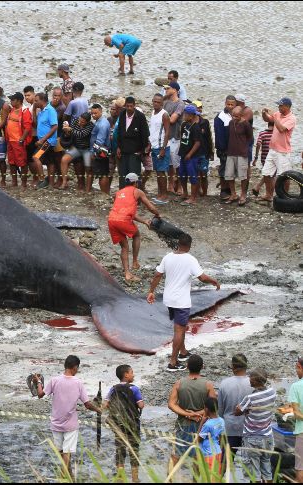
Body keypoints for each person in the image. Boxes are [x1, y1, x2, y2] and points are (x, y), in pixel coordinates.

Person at [147, 234, 221, 371]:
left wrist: (151, 291)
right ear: (189, 245)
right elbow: (202, 278)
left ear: (178, 244)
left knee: (178, 327)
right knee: (179, 330)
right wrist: (214, 281)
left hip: (168, 299)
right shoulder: (190, 259)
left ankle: (183, 353)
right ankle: (173, 363)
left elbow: (158, 274)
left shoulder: (168, 257)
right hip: (181, 301)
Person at [33, 355, 101, 479]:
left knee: (61, 452)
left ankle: (69, 476)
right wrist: (98, 409)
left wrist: (38, 382)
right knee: (67, 453)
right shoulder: (78, 382)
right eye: (78, 368)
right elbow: (87, 404)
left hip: (56, 423)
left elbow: (40, 394)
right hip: (71, 425)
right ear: (75, 367)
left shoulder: (54, 380)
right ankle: (64, 476)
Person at [107, 173, 160, 282]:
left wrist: (144, 221)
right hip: (123, 220)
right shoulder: (137, 191)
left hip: (112, 220)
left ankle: (127, 273)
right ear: (136, 182)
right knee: (136, 235)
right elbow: (150, 207)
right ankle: (135, 261)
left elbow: (128, 213)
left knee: (124, 247)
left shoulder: (118, 193)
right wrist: (157, 214)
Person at [167, 355, 217, 467]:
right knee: (198, 454)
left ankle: (169, 479)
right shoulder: (208, 384)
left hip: (183, 424)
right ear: (202, 367)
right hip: (202, 424)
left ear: (187, 366)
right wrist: (198, 413)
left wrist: (187, 414)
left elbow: (171, 404)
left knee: (177, 453)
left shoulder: (179, 383)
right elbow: (213, 407)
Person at [103, 364, 144, 482]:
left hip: (118, 425)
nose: (133, 374)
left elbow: (105, 405)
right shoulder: (134, 388)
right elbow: (141, 405)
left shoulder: (113, 388)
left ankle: (120, 478)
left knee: (120, 450)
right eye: (132, 372)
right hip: (133, 425)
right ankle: (135, 479)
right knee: (134, 451)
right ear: (126, 375)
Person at [236, 368, 277, 483]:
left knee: (254, 472)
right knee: (267, 469)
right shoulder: (272, 392)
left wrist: (245, 410)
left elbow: (237, 411)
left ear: (255, 381)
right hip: (268, 436)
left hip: (252, 437)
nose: (249, 379)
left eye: (250, 377)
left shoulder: (250, 398)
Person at [217, 353, 252, 470]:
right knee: (253, 466)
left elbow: (220, 411)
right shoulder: (253, 383)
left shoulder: (224, 384)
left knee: (223, 463)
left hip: (229, 428)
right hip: (249, 429)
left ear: (233, 366)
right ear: (246, 366)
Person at [259, 97, 297, 204]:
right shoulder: (277, 114)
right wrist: (264, 113)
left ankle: (285, 196)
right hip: (273, 150)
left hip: (283, 152)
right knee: (266, 173)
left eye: (280, 106)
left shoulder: (292, 118)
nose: (278, 107)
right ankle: (268, 195)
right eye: (278, 105)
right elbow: (267, 120)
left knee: (284, 175)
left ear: (287, 107)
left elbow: (281, 129)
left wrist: (275, 116)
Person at [116, 96, 150, 188]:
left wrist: (141, 150)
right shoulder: (122, 114)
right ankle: (122, 195)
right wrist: (118, 147)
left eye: (131, 106)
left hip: (135, 152)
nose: (129, 108)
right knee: (123, 175)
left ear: (134, 106)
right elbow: (119, 132)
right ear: (125, 106)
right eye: (127, 106)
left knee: (134, 175)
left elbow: (145, 134)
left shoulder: (140, 117)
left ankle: (135, 197)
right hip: (123, 150)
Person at [224, 106, 253, 205]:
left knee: (243, 176)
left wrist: (244, 147)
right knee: (229, 174)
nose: (234, 118)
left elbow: (250, 137)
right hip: (231, 152)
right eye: (233, 116)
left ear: (241, 115)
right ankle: (233, 194)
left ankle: (243, 195)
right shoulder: (231, 123)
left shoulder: (246, 124)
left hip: (241, 153)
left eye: (237, 116)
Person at [178, 104, 206, 205]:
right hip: (183, 154)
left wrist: (190, 154)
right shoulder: (184, 125)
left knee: (193, 175)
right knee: (182, 174)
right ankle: (185, 193)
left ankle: (193, 197)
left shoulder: (196, 128)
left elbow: (197, 143)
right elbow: (182, 138)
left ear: (190, 115)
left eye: (185, 114)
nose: (184, 116)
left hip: (192, 156)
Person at [59, 112, 94, 191]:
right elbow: (70, 133)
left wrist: (70, 129)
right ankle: (64, 182)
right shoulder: (75, 121)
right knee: (64, 160)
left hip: (86, 149)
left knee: (88, 168)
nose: (80, 123)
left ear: (87, 122)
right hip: (76, 147)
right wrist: (66, 131)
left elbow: (81, 134)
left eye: (82, 122)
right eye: (79, 120)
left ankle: (88, 189)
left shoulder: (90, 126)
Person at [4, 92, 33, 188]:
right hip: (10, 140)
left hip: (18, 141)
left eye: (13, 100)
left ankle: (24, 183)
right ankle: (14, 181)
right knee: (11, 161)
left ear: (19, 101)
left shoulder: (25, 111)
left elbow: (27, 127)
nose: (11, 101)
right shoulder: (11, 110)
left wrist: (22, 139)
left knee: (22, 162)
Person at [149, 94, 172, 204]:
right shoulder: (153, 113)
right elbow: (152, 130)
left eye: (158, 102)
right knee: (158, 172)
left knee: (162, 172)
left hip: (162, 147)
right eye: (154, 101)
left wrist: (163, 148)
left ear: (162, 103)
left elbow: (167, 132)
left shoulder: (164, 115)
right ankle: (160, 193)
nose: (156, 104)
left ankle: (165, 195)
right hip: (154, 146)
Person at [198, 397, 226, 478]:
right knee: (215, 476)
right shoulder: (221, 420)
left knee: (208, 478)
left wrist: (202, 422)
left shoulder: (207, 424)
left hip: (208, 454)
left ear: (206, 409)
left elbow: (198, 440)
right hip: (218, 452)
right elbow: (221, 438)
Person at [286, 356, 303, 483]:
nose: (296, 372)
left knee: (301, 469)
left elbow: (296, 413)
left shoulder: (296, 386)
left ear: (299, 366)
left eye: (296, 368)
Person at [89, 103, 112, 194]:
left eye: (95, 113)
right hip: (101, 151)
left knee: (102, 174)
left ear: (101, 112)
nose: (93, 115)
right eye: (92, 113)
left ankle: (105, 193)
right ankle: (105, 192)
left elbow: (99, 141)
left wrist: (93, 153)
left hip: (100, 152)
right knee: (102, 173)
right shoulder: (99, 121)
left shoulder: (102, 124)